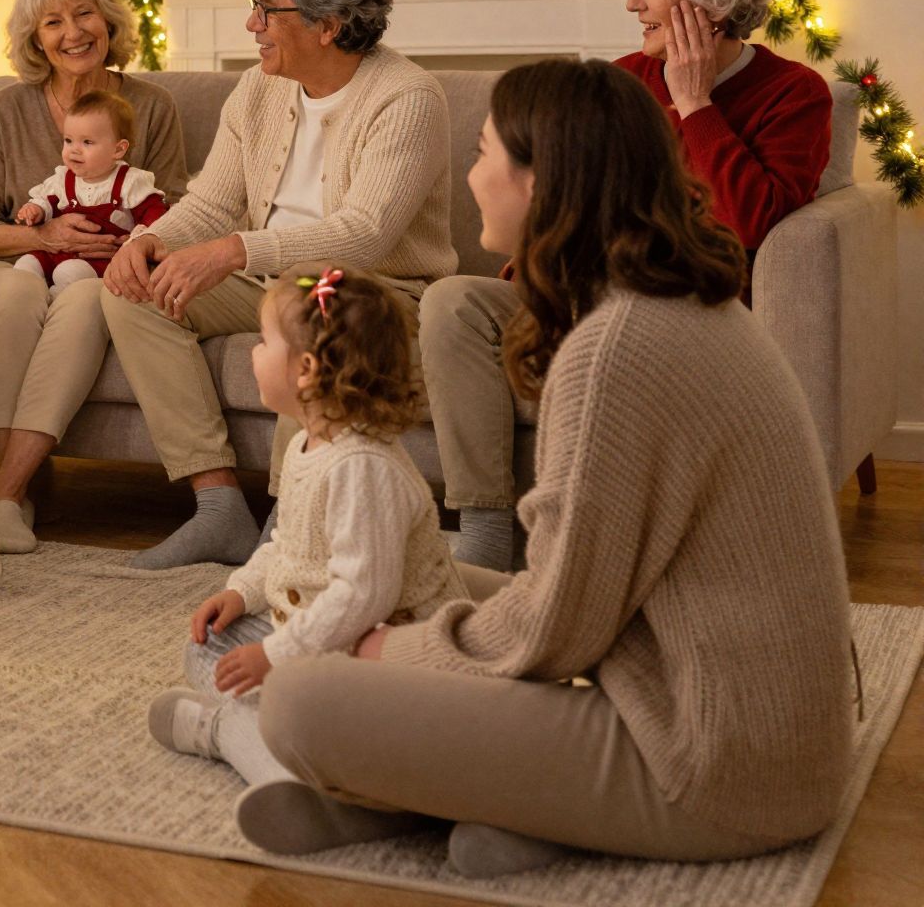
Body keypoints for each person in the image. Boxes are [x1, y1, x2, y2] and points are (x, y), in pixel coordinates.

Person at [235, 60, 853, 877]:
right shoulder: (675, 304)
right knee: (433, 576)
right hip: (749, 729)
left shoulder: (616, 346)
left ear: (539, 182)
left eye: (483, 152)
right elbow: (575, 596)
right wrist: (407, 633)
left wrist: (387, 652)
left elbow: (555, 628)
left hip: (713, 767)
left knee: (298, 699)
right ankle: (518, 810)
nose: (470, 176)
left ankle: (479, 797)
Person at [422, 0, 834, 570]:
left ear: (712, 1)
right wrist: (535, 276)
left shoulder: (794, 93)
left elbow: (750, 223)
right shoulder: (622, 81)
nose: (632, 2)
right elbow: (564, 200)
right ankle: (487, 523)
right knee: (453, 302)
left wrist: (695, 105)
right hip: (578, 291)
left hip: (674, 313)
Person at [100, 0, 455, 569]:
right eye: (252, 3)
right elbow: (212, 203)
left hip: (374, 293)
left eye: (267, 10)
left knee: (306, 315)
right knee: (135, 294)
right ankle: (219, 508)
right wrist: (149, 240)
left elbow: (365, 234)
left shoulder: (407, 97)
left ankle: (288, 530)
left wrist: (233, 252)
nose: (251, 24)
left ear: (329, 25)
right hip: (271, 279)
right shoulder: (259, 87)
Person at [146, 265, 467, 787]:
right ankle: (279, 731)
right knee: (206, 647)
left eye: (263, 341)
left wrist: (276, 656)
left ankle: (237, 739)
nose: (253, 353)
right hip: (324, 637)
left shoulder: (363, 467)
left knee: (279, 688)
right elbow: (286, 545)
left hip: (385, 660)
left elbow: (364, 595)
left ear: (306, 369)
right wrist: (242, 593)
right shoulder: (305, 444)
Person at [0, 0, 189, 555]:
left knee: (85, 296)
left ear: (109, 21)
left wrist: (130, 248)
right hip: (9, 268)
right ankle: (21, 486)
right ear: (35, 37)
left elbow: (176, 214)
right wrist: (43, 237)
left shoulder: (152, 105)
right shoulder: (8, 108)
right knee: (20, 290)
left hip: (101, 273)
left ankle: (5, 492)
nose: (73, 32)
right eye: (53, 21)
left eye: (85, 14)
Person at [11, 89, 168, 293]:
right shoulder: (63, 179)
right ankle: (34, 294)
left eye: (87, 142)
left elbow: (155, 213)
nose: (74, 149)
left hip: (102, 259)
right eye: (68, 140)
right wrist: (36, 210)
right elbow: (46, 201)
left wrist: (140, 238)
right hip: (59, 252)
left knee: (69, 272)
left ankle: (58, 297)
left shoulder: (129, 182)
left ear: (118, 149)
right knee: (26, 264)